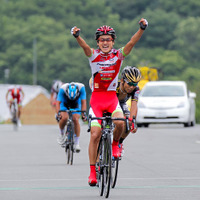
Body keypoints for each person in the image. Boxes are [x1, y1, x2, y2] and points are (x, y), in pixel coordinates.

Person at [71, 18, 148, 186]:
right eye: (102, 40)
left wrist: (141, 29)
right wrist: (77, 36)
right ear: (98, 42)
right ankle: (92, 172)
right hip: (97, 101)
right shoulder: (93, 55)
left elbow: (131, 43)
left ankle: (114, 145)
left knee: (120, 123)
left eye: (108, 40)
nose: (105, 42)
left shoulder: (118, 55)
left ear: (113, 42)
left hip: (111, 99)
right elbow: (84, 47)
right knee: (95, 134)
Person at [116, 66, 141, 156]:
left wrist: (132, 121)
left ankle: (119, 143)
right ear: (122, 80)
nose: (131, 87)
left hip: (122, 103)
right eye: (129, 83)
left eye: (134, 84)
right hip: (112, 103)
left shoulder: (136, 89)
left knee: (128, 123)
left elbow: (134, 105)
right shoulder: (116, 85)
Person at [55, 82, 87, 152]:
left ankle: (77, 143)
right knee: (64, 118)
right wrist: (58, 114)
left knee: (75, 119)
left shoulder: (81, 88)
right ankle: (62, 134)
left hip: (76, 103)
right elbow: (58, 103)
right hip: (65, 102)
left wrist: (83, 114)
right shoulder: (62, 89)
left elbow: (83, 102)